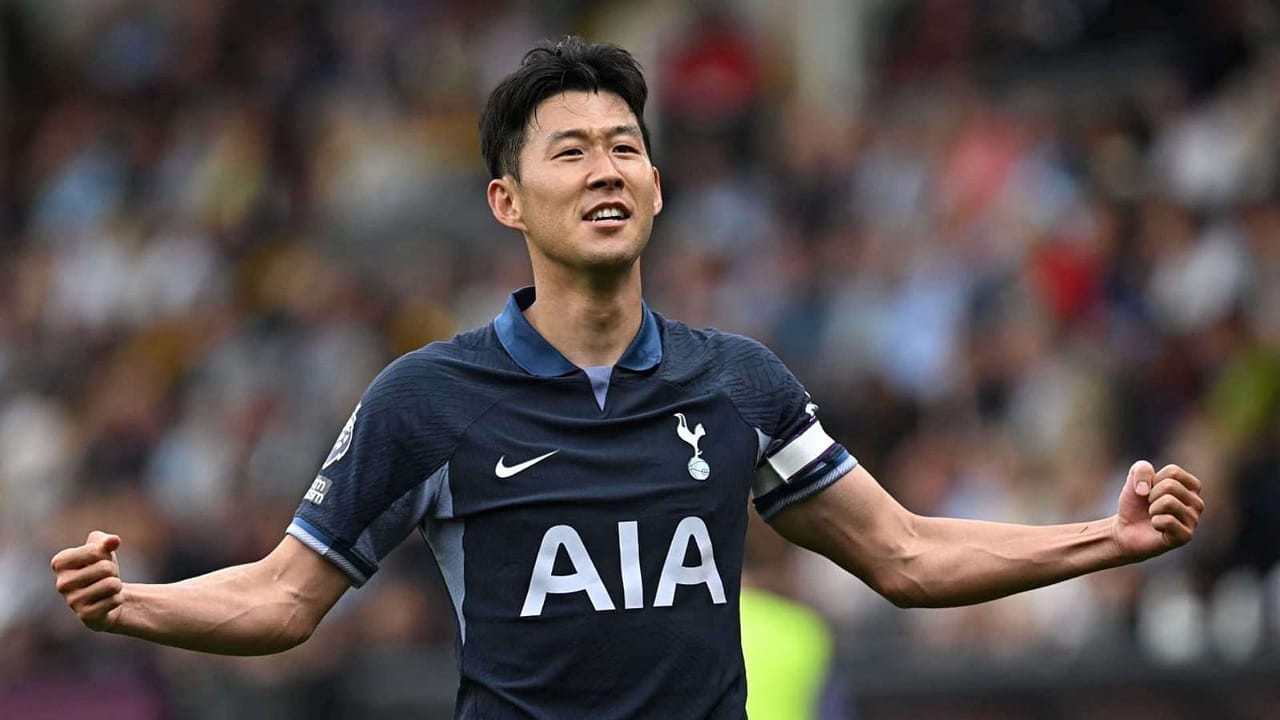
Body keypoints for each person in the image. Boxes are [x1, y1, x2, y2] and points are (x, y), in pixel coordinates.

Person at [51, 36, 1205, 719]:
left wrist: (1101, 540)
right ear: (506, 202)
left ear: (655, 187)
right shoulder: (425, 401)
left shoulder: (738, 383)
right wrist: (132, 604)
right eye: (569, 151)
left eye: (624, 149)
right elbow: (281, 598)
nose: (604, 169)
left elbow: (901, 554)